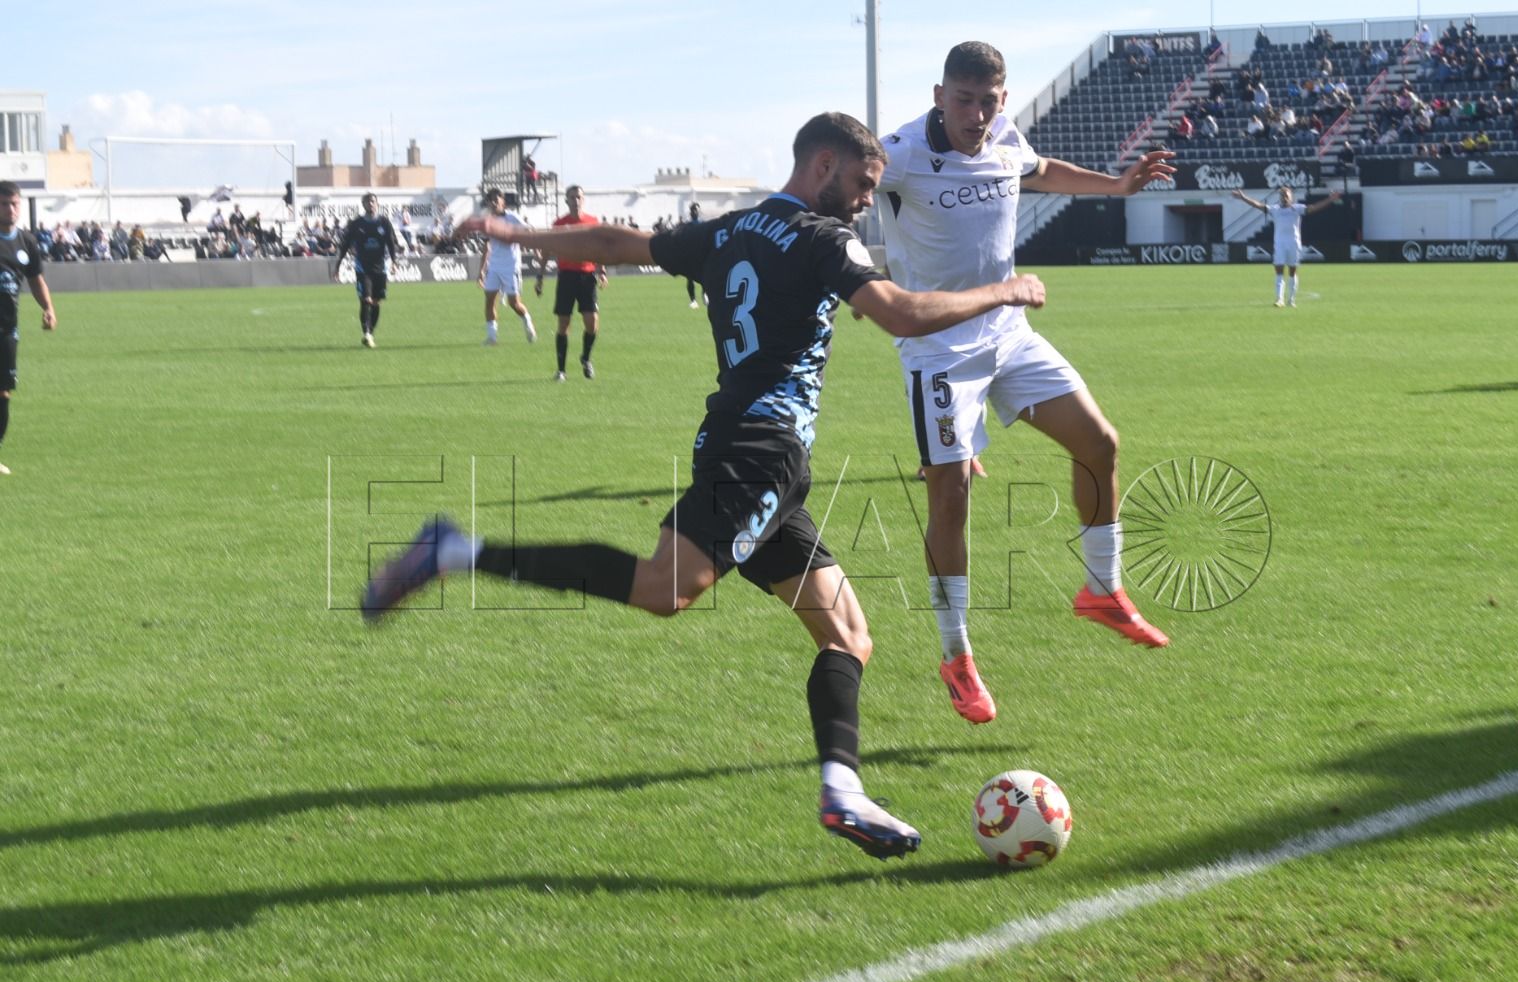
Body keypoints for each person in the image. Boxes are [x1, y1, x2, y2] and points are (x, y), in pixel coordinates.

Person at [365, 112, 1046, 861]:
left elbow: (611, 244)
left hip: (758, 456)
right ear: (823, 165)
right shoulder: (824, 239)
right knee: (666, 588)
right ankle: (457, 551)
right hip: (758, 452)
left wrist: (514, 235)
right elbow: (905, 315)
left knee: (847, 634)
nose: (863, 201)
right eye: (860, 184)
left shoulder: (730, 231)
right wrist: (1004, 290)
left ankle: (842, 791)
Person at [876, 41, 1176, 726]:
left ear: (1002, 100)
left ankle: (1102, 590)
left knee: (1099, 442)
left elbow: (1039, 170)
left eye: (988, 101)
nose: (976, 115)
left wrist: (1117, 185)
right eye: (964, 100)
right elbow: (838, 190)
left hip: (1009, 335)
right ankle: (956, 655)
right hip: (937, 351)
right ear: (938, 95)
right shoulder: (898, 155)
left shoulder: (1005, 134)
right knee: (949, 495)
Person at [0, 181, 58, 476]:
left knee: (3, 393)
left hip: (7, 332)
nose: (10, 210)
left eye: (14, 204)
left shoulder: (26, 243)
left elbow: (35, 280)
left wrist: (47, 308)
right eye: (4, 204)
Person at [1231, 185, 1342, 306]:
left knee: (1292, 272)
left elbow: (1314, 208)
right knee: (1279, 271)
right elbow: (1258, 205)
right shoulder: (1275, 209)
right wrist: (1243, 197)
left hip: (1294, 244)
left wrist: (1330, 199)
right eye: (1282, 195)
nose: (1284, 198)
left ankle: (1291, 300)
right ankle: (1279, 299)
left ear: (1291, 197)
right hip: (1280, 245)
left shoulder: (1297, 209)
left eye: (1286, 195)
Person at [332, 192, 402, 348]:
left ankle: (370, 333)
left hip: (380, 268)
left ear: (377, 204)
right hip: (363, 268)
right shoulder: (356, 224)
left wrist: (394, 262)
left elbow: (391, 243)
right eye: (367, 201)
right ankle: (366, 333)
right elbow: (345, 245)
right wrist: (338, 265)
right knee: (366, 300)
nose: (370, 204)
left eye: (373, 201)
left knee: (376, 302)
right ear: (363, 205)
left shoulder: (384, 222)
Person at [551, 185, 606, 380]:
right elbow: (551, 248)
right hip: (567, 276)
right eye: (572, 197)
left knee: (592, 324)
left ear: (583, 200)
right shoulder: (559, 224)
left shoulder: (592, 222)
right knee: (564, 323)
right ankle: (561, 370)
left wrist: (602, 271)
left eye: (579, 197)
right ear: (566, 201)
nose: (575, 201)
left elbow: (599, 249)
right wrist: (540, 276)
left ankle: (585, 358)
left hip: (588, 277)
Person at [476, 189, 538, 346]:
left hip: (511, 266)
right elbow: (486, 247)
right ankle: (492, 337)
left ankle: (527, 321)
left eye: (497, 200)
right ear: (488, 203)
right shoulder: (488, 221)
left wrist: (536, 250)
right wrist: (482, 271)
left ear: (503, 202)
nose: (494, 203)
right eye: (491, 200)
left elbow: (530, 231)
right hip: (494, 267)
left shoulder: (512, 217)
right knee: (489, 300)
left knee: (514, 304)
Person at [685, 201, 704, 308]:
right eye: (693, 210)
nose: (695, 212)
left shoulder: (703, 224)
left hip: (702, 254)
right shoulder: (687, 226)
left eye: (696, 209)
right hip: (691, 254)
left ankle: (705, 294)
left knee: (705, 276)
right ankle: (693, 301)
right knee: (690, 278)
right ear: (690, 212)